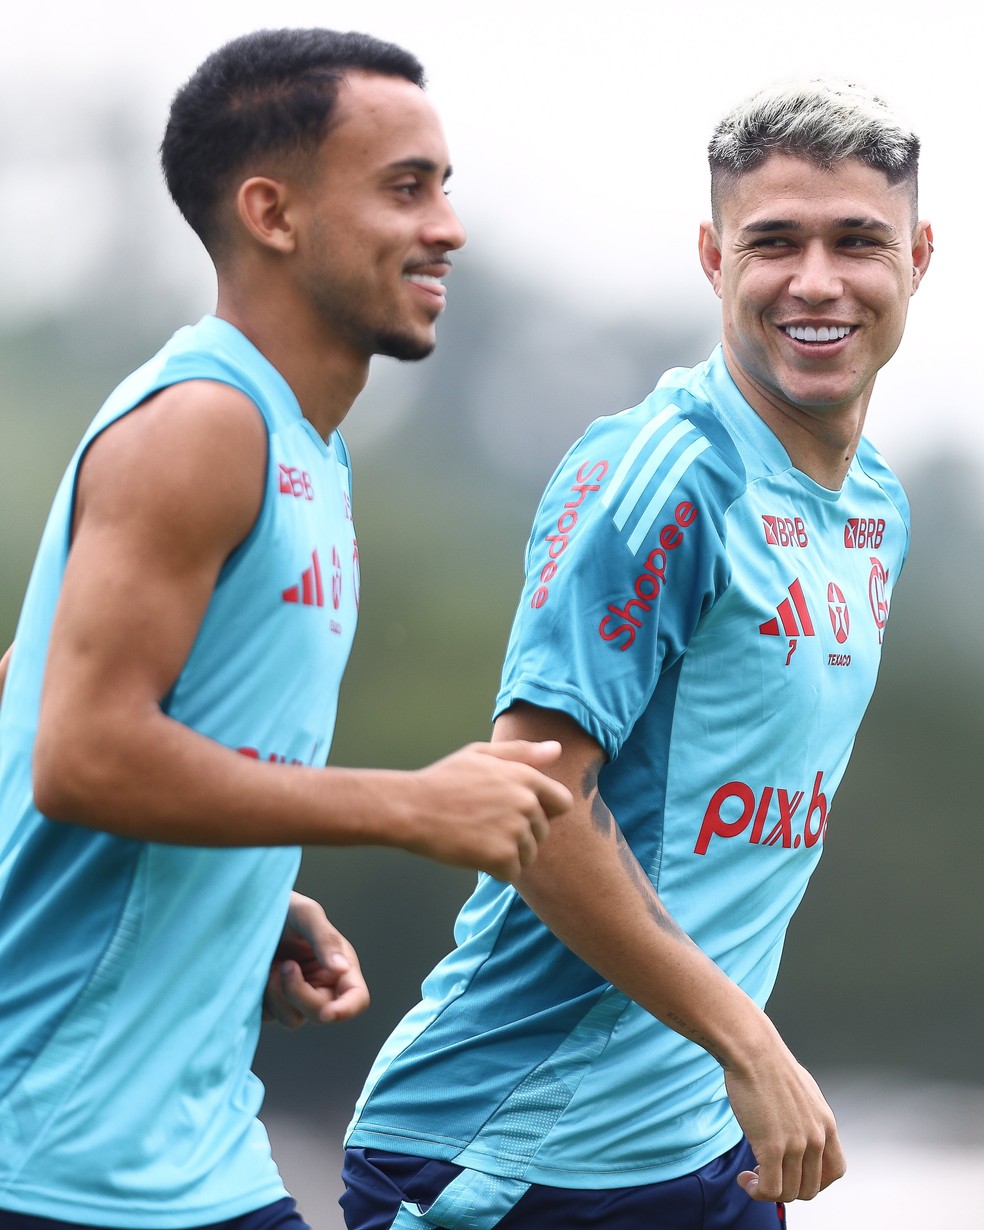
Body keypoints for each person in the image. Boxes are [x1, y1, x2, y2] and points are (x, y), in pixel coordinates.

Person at [0, 28, 572, 1230]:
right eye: (406, 188)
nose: (449, 228)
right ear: (272, 213)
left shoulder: (306, 443)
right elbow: (80, 753)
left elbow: (29, 681)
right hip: (59, 1155)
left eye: (445, 187)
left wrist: (254, 894)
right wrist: (406, 806)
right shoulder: (202, 424)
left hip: (195, 1152)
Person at [341, 77, 933, 1228]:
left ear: (918, 257)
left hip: (702, 1150)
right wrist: (747, 1040)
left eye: (858, 241)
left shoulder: (879, 506)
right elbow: (537, 799)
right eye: (775, 242)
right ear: (714, 259)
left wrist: (733, 1059)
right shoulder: (661, 475)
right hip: (508, 1156)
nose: (817, 281)